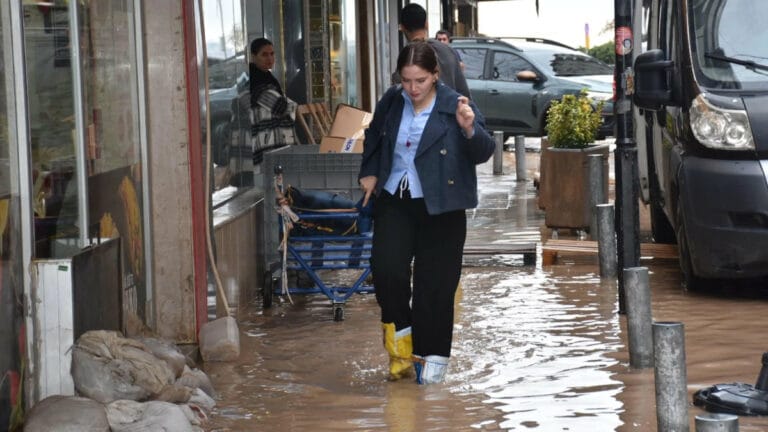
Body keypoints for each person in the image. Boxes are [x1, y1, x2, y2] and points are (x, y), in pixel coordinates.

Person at [358, 41, 495, 384]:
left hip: (442, 207)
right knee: (386, 272)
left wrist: (469, 128)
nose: (413, 88)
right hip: (396, 199)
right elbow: (374, 135)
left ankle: (430, 375)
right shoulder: (392, 100)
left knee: (434, 290)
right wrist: (370, 171)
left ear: (435, 75)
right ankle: (401, 347)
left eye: (419, 80)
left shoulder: (456, 104)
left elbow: (484, 151)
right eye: (406, 80)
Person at [396, 4, 471, 98]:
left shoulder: (406, 57)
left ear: (402, 27)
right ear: (426, 24)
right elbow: (463, 92)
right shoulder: (447, 51)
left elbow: (398, 91)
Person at [248, 37, 296, 161]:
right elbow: (281, 106)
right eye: (264, 54)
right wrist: (292, 105)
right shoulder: (256, 80)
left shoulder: (266, 76)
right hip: (265, 143)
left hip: (269, 141)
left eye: (272, 54)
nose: (270, 58)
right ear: (253, 56)